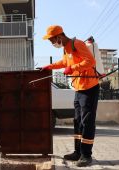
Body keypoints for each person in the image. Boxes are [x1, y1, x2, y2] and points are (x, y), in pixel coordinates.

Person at [42, 25, 99, 167]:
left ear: (59, 37)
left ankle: (86, 155)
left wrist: (72, 68)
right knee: (77, 121)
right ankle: (78, 152)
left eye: (51, 40)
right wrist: (50, 66)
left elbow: (90, 61)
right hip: (78, 88)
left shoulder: (77, 44)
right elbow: (64, 63)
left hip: (89, 88)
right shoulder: (66, 49)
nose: (52, 43)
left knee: (87, 122)